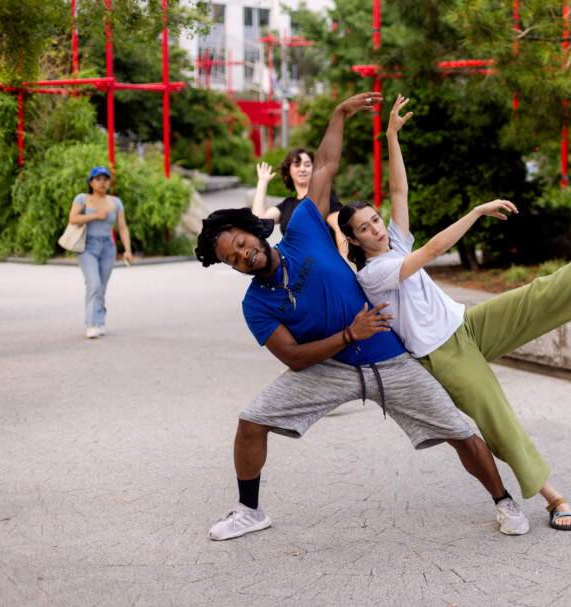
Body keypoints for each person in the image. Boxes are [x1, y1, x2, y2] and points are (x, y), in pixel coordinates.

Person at [195, 92, 528, 541]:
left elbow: (327, 166)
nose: (243, 254)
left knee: (458, 431)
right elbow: (293, 357)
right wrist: (349, 334)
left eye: (240, 242)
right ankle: (249, 510)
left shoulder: (303, 232)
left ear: (252, 231)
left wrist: (338, 114)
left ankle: (503, 501)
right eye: (233, 258)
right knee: (251, 421)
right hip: (331, 368)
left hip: (389, 359)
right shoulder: (255, 303)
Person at [340, 94, 571, 531]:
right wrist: (478, 211)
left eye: (375, 221)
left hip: (466, 324)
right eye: (364, 229)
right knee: (498, 420)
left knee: (537, 293)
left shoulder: (395, 243)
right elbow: (434, 249)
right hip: (443, 355)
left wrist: (391, 136)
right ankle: (554, 498)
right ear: (354, 241)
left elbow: (398, 190)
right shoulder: (374, 274)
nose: (375, 229)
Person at [68, 166, 133, 339]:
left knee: (101, 286)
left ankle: (100, 321)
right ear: (91, 182)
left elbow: (122, 228)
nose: (102, 183)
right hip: (87, 246)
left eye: (105, 179)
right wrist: (95, 215)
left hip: (108, 247)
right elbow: (73, 218)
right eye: (98, 179)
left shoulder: (116, 202)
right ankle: (91, 324)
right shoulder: (82, 199)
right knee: (93, 284)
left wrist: (127, 250)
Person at [251, 149, 349, 260]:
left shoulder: (322, 195)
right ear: (289, 171)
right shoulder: (287, 204)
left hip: (324, 265)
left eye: (307, 165)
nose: (302, 169)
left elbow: (339, 228)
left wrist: (346, 264)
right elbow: (258, 221)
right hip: (299, 271)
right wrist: (262, 182)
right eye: (297, 165)